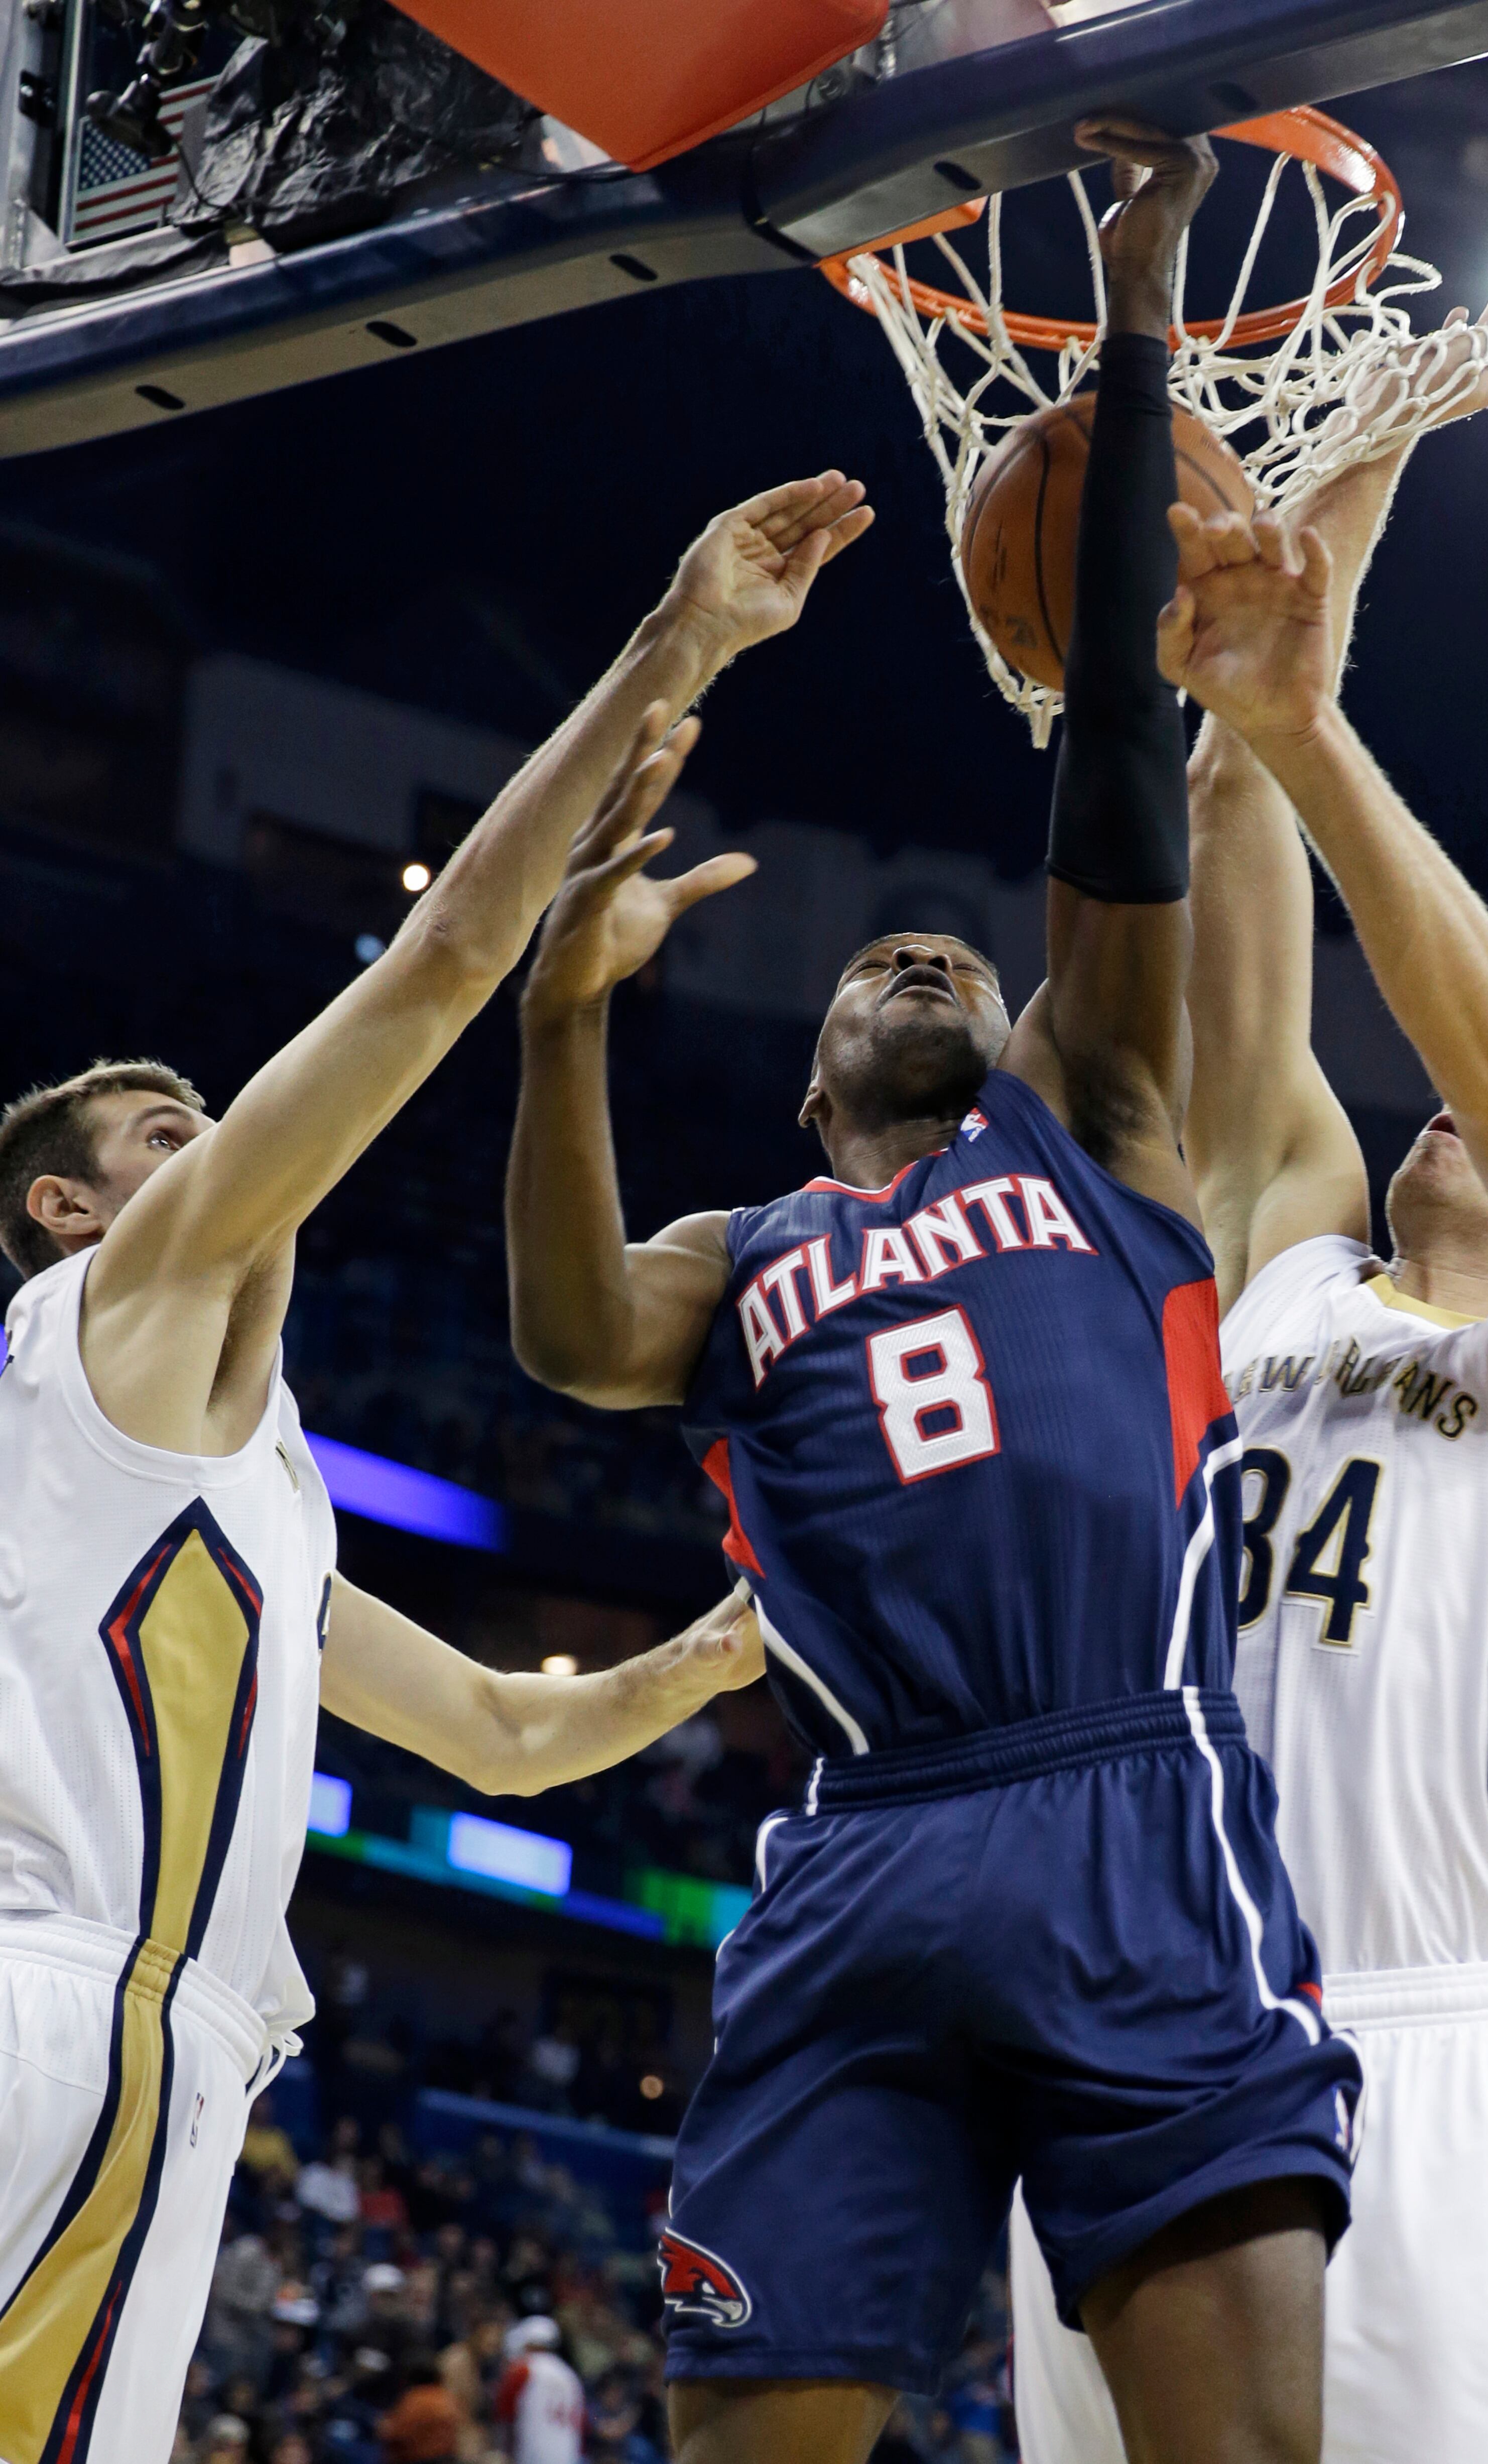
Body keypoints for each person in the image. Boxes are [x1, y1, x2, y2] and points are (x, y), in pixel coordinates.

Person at [508, 119, 1363, 2464]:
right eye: (873, 961)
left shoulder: (1092, 1118)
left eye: (950, 955)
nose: (916, 953)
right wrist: (562, 1008)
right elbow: (572, 1338)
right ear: (801, 1093)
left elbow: (1110, 766)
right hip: (865, 1840)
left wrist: (1137, 310)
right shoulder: (747, 1256)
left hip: (1123, 1801)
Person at [0, 471, 873, 2464]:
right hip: (79, 2019)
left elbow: (492, 1730)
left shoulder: (200, 1471)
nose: (207, 1139)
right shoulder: (121, 1318)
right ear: (66, 1209)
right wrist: (678, 638)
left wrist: (724, 1646)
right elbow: (430, 973)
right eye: (158, 1133)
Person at [1009, 316, 1488, 2464]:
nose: (1468, 1110)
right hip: (1127, 2014)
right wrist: (1344, 483)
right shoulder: (1292, 1244)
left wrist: (1310, 732)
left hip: (1399, 2044)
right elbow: (1226, 799)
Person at [495, 2317, 584, 2464]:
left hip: (532, 2455)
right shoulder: (570, 2375)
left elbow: (504, 2416)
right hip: (567, 2456)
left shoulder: (524, 2368)